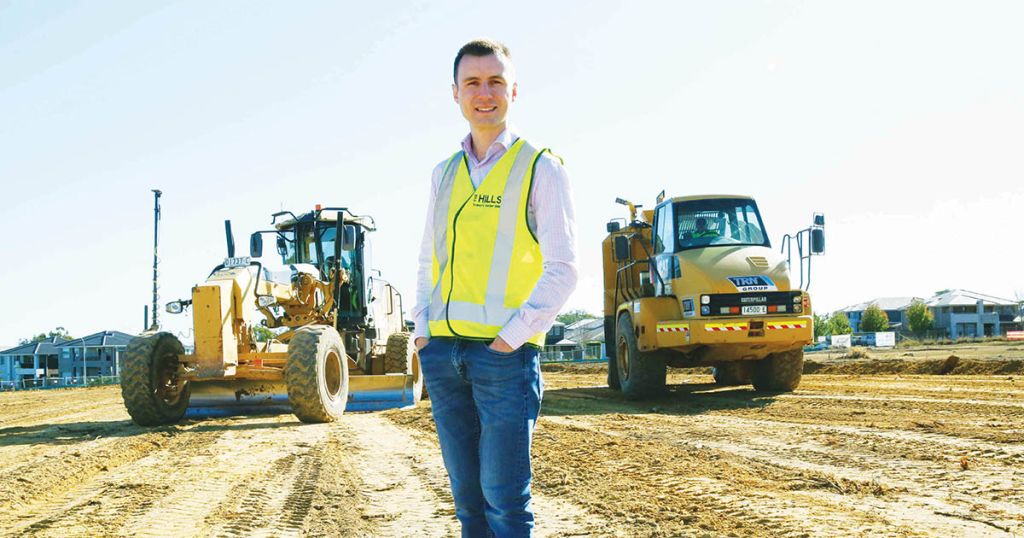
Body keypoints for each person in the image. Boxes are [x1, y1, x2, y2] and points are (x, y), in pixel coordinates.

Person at [412, 38, 577, 537]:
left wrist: (511, 338)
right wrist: (422, 333)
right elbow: (427, 259)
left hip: (503, 359)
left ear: (513, 91)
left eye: (495, 82)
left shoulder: (540, 168)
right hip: (443, 356)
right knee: (467, 503)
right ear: (456, 94)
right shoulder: (443, 174)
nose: (485, 93)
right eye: (473, 83)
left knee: (505, 503)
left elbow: (565, 268)